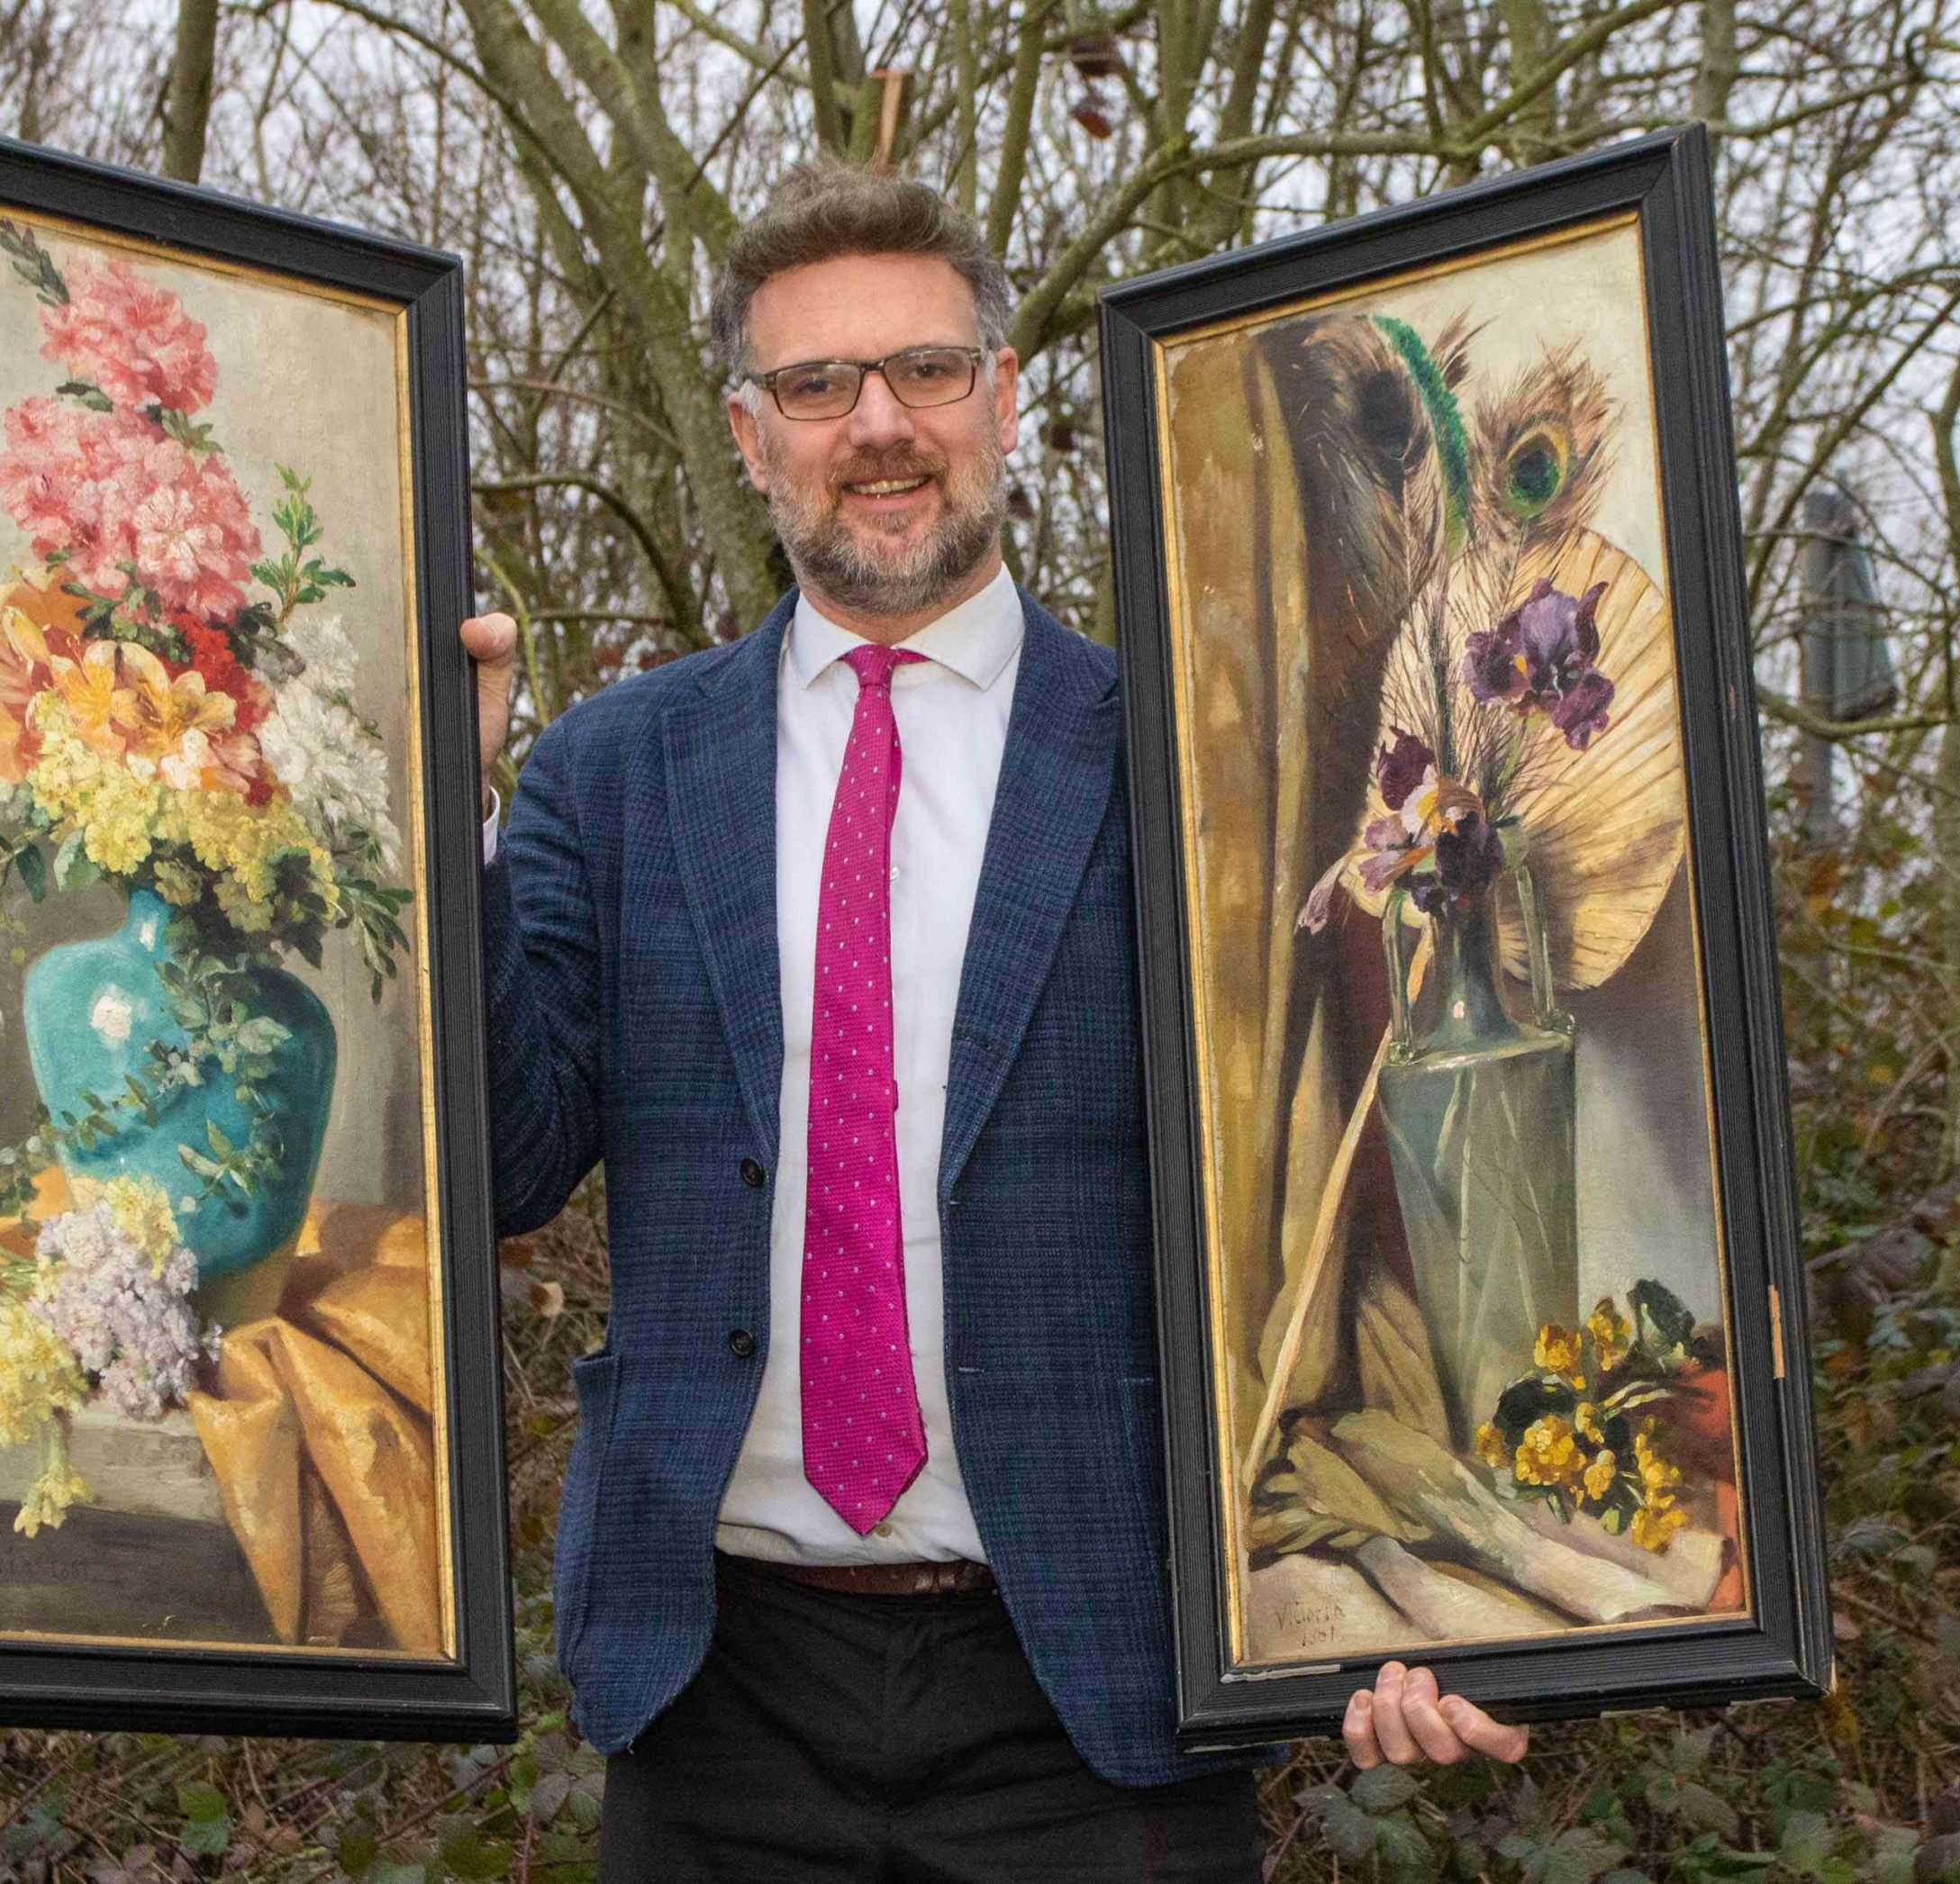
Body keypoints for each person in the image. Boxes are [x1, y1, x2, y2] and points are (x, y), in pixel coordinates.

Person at [458, 162, 1528, 1882]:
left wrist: (1431, 1577)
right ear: (750, 434)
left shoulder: (1201, 764)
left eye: (927, 371)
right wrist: (455, 814)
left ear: (1006, 397)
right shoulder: (611, 772)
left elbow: (1361, 1184)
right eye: (817, 385)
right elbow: (504, 1161)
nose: (878, 425)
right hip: (716, 1687)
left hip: (1101, 1687)